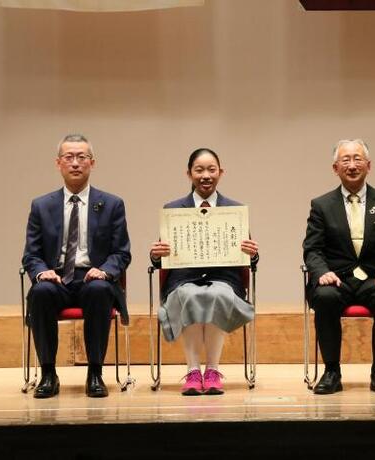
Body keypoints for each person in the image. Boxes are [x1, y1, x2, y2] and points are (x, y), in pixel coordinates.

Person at [22, 134, 131, 398]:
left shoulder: (112, 204)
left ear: (92, 163)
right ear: (58, 163)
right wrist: (40, 272)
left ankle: (95, 372)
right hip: (56, 279)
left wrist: (105, 270)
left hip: (92, 277)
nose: (75, 163)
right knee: (40, 292)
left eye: (81, 157)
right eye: (69, 157)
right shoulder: (42, 205)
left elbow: (122, 252)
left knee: (99, 290)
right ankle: (48, 373)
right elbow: (30, 255)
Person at [150, 148, 259, 396]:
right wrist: (156, 255)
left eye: (211, 169)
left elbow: (249, 259)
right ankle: (192, 370)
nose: (206, 175)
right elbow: (160, 260)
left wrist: (252, 252)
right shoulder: (174, 209)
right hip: (183, 279)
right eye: (199, 170)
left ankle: (212, 370)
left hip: (224, 279)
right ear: (189, 174)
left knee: (216, 295)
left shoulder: (235, 210)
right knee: (189, 295)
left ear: (221, 172)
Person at [303, 139, 375, 395]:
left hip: (374, 279)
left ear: (368, 166)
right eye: (345, 160)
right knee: (324, 297)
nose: (352, 165)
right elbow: (312, 249)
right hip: (335, 280)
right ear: (335, 168)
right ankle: (331, 372)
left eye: (357, 159)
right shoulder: (321, 205)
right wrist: (322, 273)